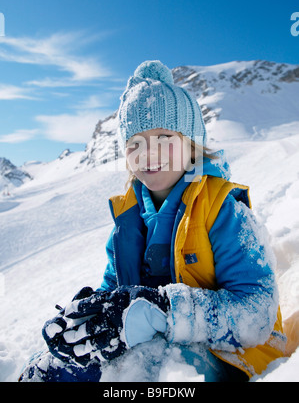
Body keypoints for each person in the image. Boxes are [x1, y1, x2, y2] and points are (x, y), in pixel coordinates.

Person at [19, 60, 286, 382]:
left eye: (163, 137)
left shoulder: (224, 210)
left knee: (151, 371)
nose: (148, 153)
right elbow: (116, 289)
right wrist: (94, 311)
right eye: (134, 143)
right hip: (156, 343)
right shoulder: (127, 218)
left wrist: (162, 309)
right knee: (51, 369)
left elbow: (256, 313)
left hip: (232, 355)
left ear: (192, 145)